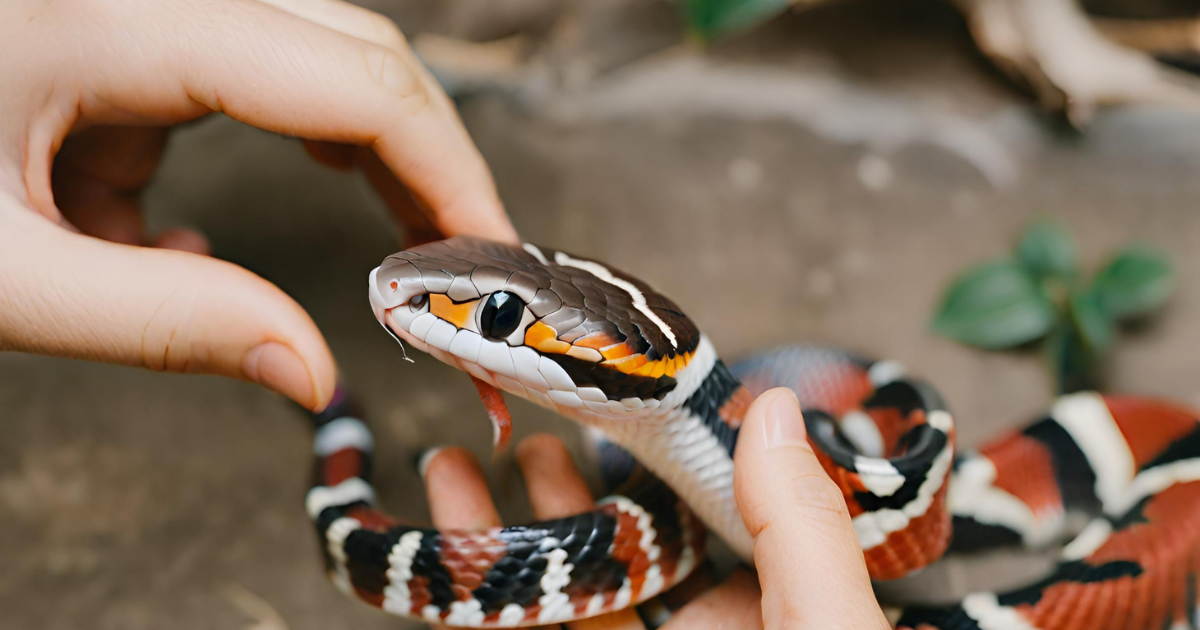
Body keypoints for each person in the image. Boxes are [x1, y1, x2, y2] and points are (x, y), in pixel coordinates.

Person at [0, 1, 890, 628]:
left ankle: (340, 428)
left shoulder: (721, 418)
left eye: (499, 316)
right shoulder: (676, 418)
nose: (396, 291)